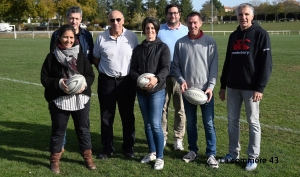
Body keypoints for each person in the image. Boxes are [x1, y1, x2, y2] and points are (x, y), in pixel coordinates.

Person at [219, 3, 272, 171]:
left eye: (246, 14)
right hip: (233, 87)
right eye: (240, 14)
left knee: (253, 122)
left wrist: (260, 88)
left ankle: (253, 157)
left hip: (251, 88)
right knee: (232, 122)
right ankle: (233, 153)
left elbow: (266, 64)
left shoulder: (261, 34)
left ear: (252, 16)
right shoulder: (233, 35)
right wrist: (222, 85)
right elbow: (228, 62)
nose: (243, 17)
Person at [41, 24, 96, 174]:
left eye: (71, 37)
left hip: (80, 99)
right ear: (59, 37)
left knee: (83, 129)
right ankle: (55, 161)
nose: (68, 40)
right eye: (65, 37)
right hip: (59, 99)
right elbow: (44, 78)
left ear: (75, 38)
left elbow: (91, 75)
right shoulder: (52, 56)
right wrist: (59, 83)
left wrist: (84, 85)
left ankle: (87, 158)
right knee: (58, 130)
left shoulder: (81, 55)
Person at [171, 12, 219, 168]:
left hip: (205, 92)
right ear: (186, 23)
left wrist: (211, 87)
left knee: (209, 123)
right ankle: (193, 150)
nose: (193, 26)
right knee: (191, 123)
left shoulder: (210, 42)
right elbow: (175, 66)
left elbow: (214, 67)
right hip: (188, 92)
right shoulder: (180, 43)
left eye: (195, 23)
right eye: (190, 23)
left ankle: (211, 154)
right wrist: (181, 80)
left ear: (201, 23)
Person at [93, 10, 138, 159]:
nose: (115, 23)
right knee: (106, 117)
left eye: (118, 19)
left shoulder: (131, 36)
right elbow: (96, 59)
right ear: (108, 21)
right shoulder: (101, 38)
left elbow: (136, 59)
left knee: (127, 116)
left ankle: (128, 148)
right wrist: (106, 72)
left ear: (123, 20)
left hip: (127, 82)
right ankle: (107, 148)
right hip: (107, 82)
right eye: (112, 20)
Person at [49, 6, 94, 153]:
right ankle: (61, 146)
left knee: (83, 120)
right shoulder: (57, 34)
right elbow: (54, 58)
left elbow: (90, 59)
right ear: (67, 18)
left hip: (82, 84)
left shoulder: (87, 36)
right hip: (64, 84)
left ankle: (85, 148)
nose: (74, 21)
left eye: (77, 18)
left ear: (81, 20)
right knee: (61, 119)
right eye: (71, 18)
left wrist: (83, 80)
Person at [130, 17, 170, 170]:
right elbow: (133, 69)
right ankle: (152, 152)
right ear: (144, 30)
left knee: (155, 124)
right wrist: (139, 80)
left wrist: (156, 80)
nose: (150, 31)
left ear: (157, 30)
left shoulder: (163, 47)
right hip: (141, 91)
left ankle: (160, 157)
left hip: (157, 91)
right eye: (147, 28)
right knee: (147, 124)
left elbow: (166, 68)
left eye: (153, 28)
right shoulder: (138, 49)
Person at [157, 3, 188, 150]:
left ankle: (178, 138)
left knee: (180, 109)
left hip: (179, 76)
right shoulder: (159, 30)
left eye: (175, 13)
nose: (173, 15)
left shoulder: (186, 30)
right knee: (162, 108)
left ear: (179, 14)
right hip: (162, 75)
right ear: (166, 14)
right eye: (170, 13)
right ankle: (163, 136)